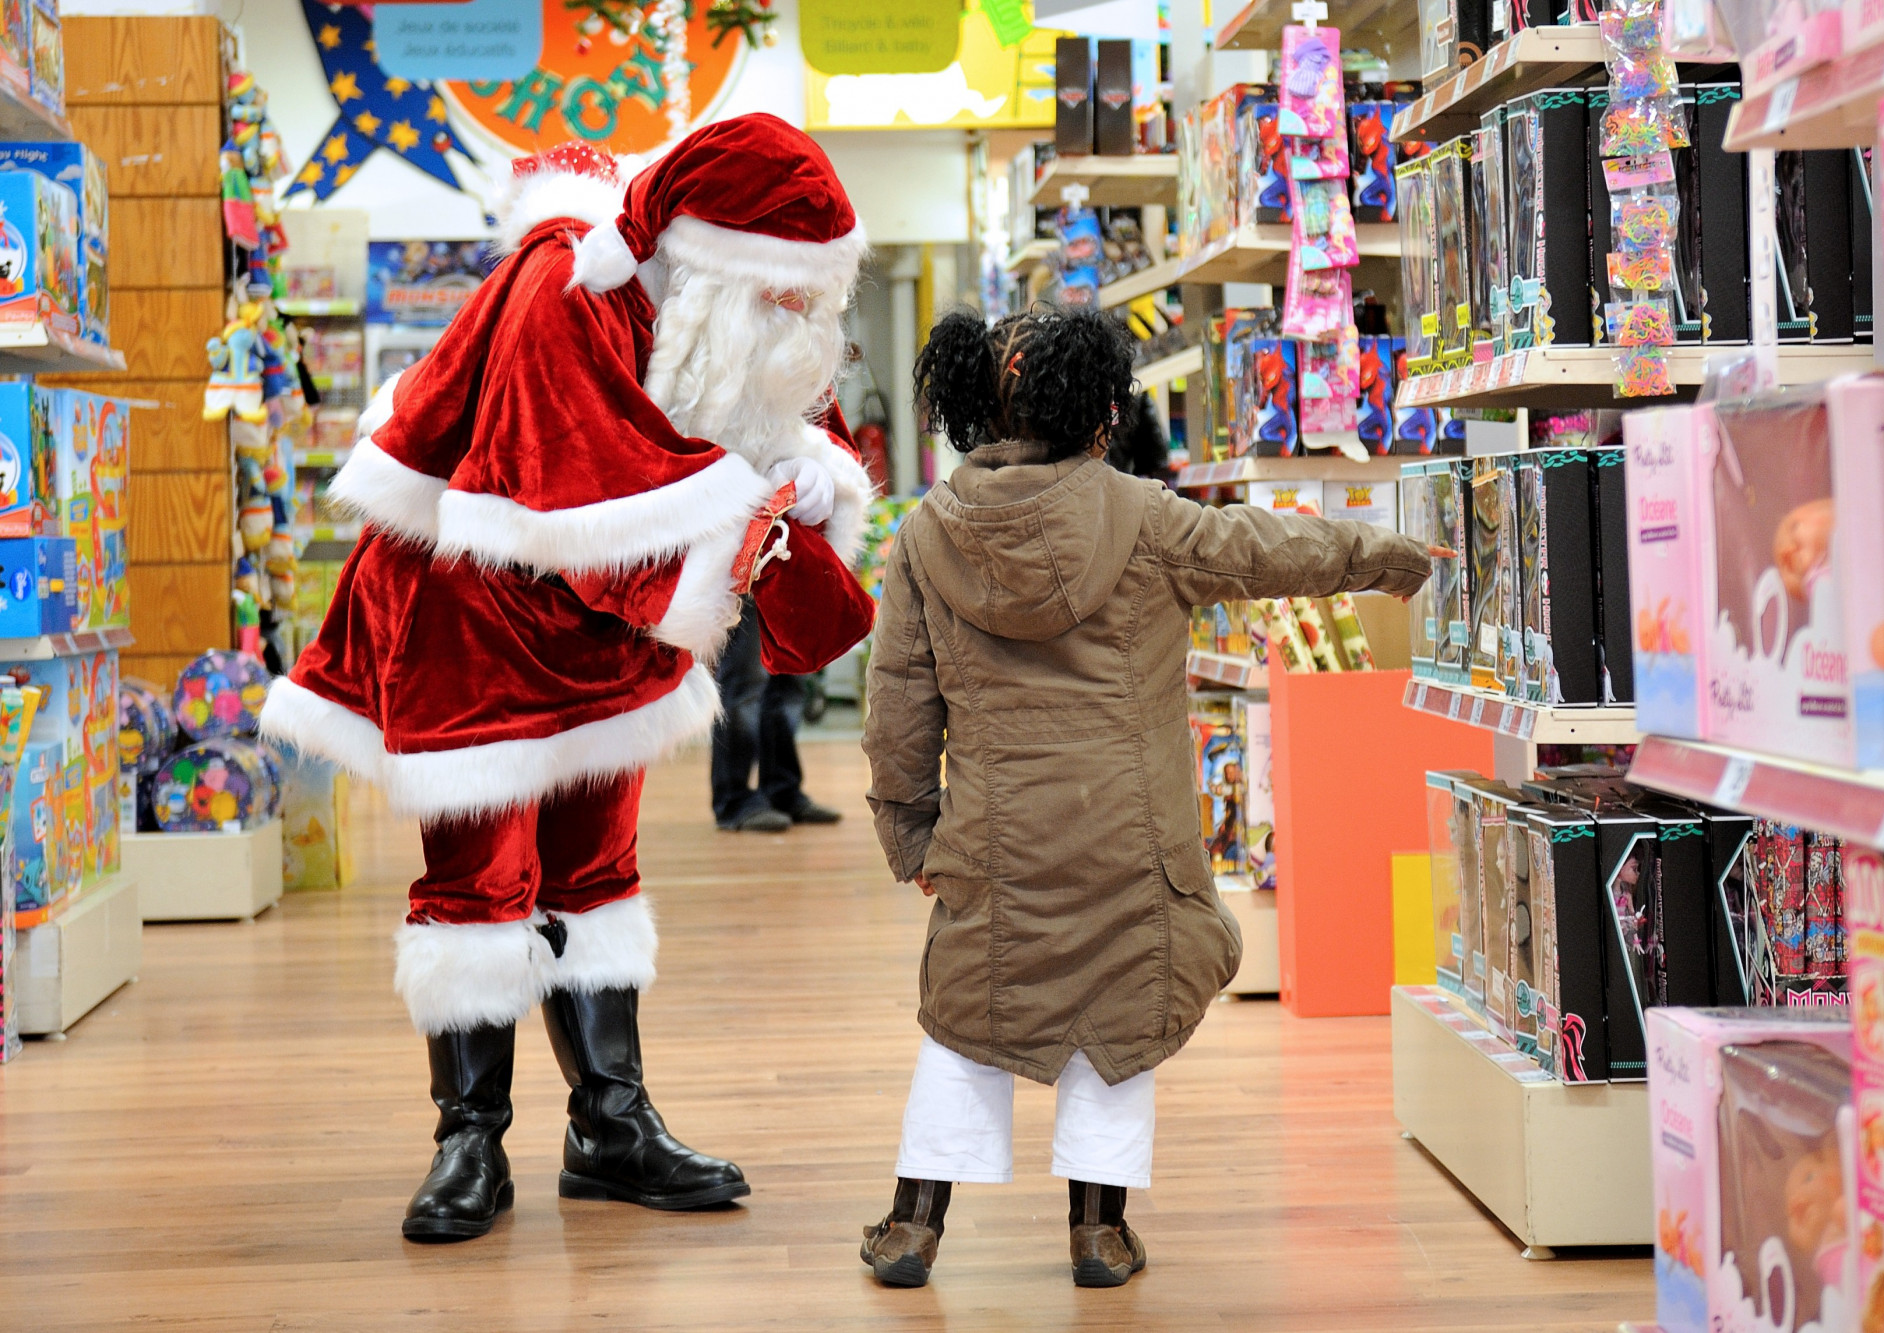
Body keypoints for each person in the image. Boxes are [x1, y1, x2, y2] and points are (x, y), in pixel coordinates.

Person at [259, 121, 877, 1242]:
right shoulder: (563, 283)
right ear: (712, 258)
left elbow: (775, 438)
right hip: (472, 612)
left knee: (597, 865)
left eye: (811, 298)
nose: (799, 324)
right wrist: (734, 517)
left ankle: (611, 1129)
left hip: (608, 631)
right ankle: (469, 1140)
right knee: (482, 880)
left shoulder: (718, 313)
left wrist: (801, 486)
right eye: (781, 295)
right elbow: (557, 497)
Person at [858, 307, 1431, 1289]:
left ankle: (914, 1222)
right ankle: (1098, 1230)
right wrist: (1389, 557)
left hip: (993, 835)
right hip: (1130, 834)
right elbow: (1265, 551)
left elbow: (898, 704)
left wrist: (908, 831)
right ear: (1096, 409)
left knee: (964, 1019)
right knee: (1117, 1026)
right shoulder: (1145, 518)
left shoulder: (923, 536)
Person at [710, 599, 842, 831]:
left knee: (789, 681)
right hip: (744, 571)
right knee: (745, 682)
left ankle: (781, 790)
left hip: (795, 569)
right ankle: (734, 800)